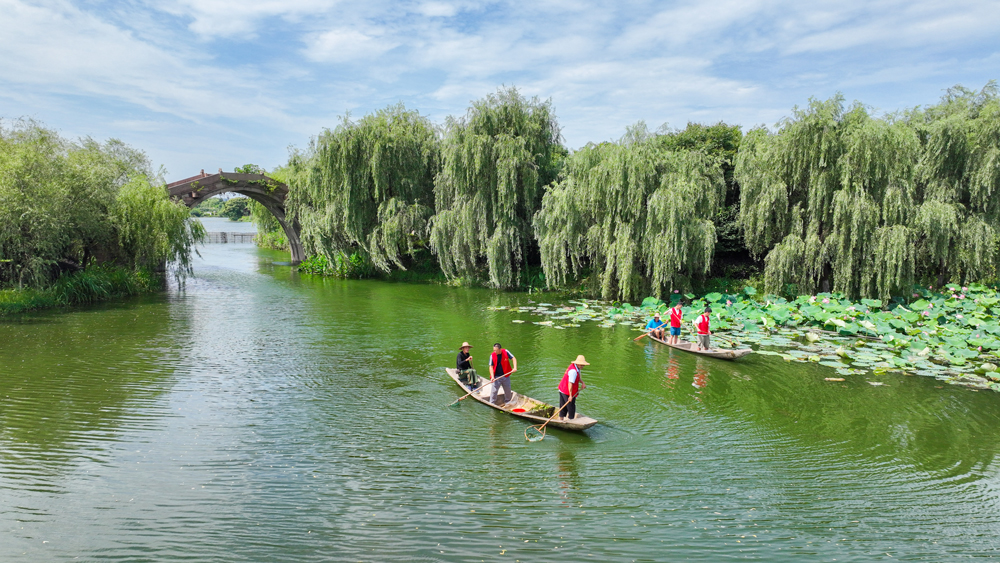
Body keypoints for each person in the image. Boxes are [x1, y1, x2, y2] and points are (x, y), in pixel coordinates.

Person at [558, 355, 588, 421]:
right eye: (581, 365)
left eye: (583, 365)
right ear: (577, 364)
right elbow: (570, 383)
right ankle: (570, 420)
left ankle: (561, 419)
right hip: (566, 390)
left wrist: (582, 382)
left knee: (564, 405)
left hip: (563, 388)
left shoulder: (576, 368)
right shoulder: (573, 371)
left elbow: (577, 378)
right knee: (571, 407)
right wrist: (570, 396)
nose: (583, 366)